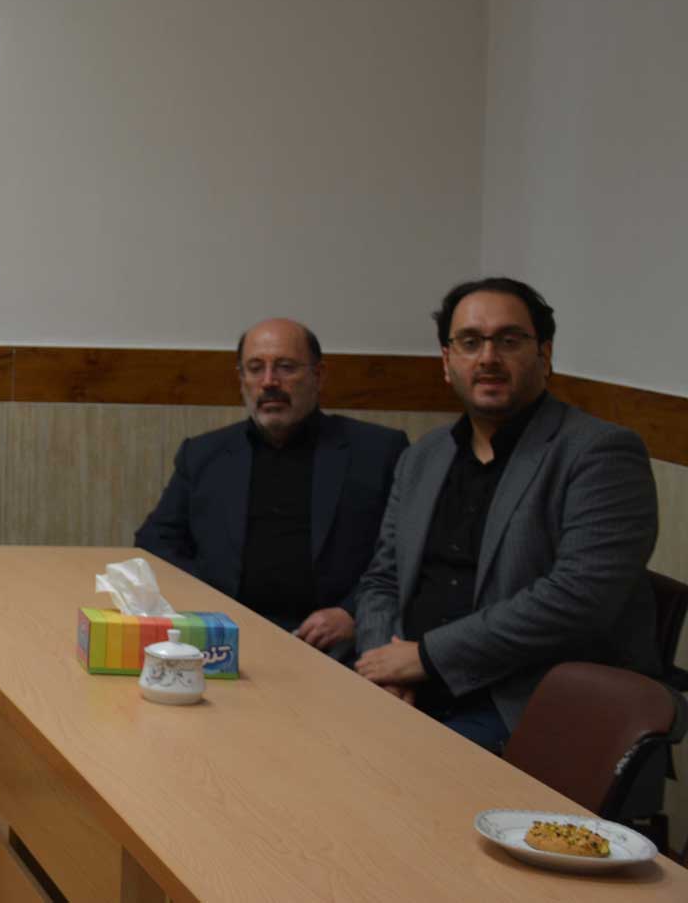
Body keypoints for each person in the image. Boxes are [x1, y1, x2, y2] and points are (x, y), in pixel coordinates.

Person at [353, 278, 660, 752]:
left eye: (509, 340)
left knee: (383, 766)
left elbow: (579, 599)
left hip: (525, 701)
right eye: (470, 342)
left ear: (545, 354)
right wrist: (384, 668)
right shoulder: (423, 457)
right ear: (447, 361)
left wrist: (428, 657)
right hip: (410, 685)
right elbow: (382, 579)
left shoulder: (600, 453)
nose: (488, 358)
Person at [134, 318, 407, 654]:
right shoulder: (204, 454)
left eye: (285, 367)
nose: (269, 382)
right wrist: (208, 604)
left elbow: (404, 555)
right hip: (226, 638)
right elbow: (154, 542)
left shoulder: (377, 452)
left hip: (334, 646)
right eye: (255, 368)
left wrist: (352, 613)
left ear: (319, 375)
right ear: (241, 379)